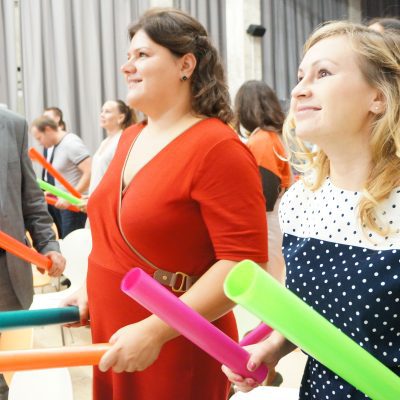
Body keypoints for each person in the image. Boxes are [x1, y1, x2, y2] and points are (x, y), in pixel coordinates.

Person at [63, 7, 268, 400]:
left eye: (142, 55)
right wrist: (92, 286)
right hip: (117, 333)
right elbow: (115, 235)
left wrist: (156, 329)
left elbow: (241, 264)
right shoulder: (131, 136)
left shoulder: (218, 147)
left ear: (185, 65)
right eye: (128, 56)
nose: (127, 67)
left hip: (173, 341)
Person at [222, 21, 400, 399]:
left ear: (378, 98)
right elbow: (312, 316)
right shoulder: (300, 203)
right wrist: (274, 346)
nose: (300, 89)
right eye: (301, 76)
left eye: (323, 73)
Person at [0, 108, 66, 399]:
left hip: (7, 273)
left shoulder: (12, 125)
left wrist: (48, 246)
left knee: (9, 365)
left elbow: (31, 198)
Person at [234, 80, 291, 283]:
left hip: (267, 222)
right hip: (274, 219)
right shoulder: (270, 137)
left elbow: (266, 193)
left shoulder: (262, 141)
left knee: (269, 281)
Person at [30, 116, 91, 238]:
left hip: (75, 205)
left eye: (39, 138)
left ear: (47, 129)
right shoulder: (59, 145)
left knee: (73, 245)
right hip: (66, 204)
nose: (40, 143)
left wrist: (70, 198)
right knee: (66, 240)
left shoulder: (71, 143)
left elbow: (89, 172)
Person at [88, 100, 136, 195]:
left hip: (108, 201)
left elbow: (119, 178)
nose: (102, 114)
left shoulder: (123, 140)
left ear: (121, 118)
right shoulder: (104, 142)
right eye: (102, 111)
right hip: (95, 201)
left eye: (107, 111)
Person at [41, 106, 68, 237]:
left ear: (57, 119)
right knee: (57, 226)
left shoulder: (67, 142)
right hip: (49, 191)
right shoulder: (48, 144)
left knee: (67, 228)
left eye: (48, 117)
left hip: (62, 193)